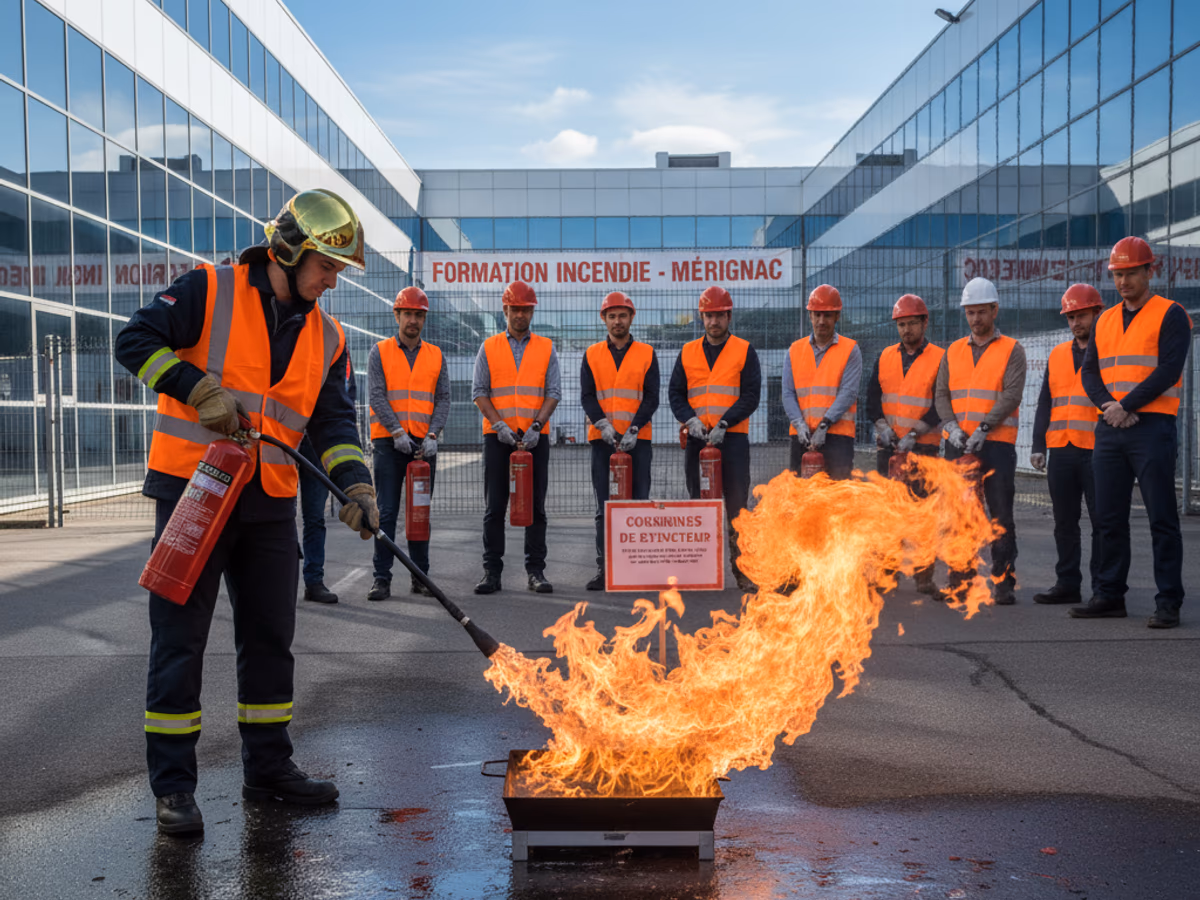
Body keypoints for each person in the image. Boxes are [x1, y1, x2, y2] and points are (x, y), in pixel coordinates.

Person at [114, 189, 379, 836]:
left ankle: (269, 769)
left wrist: (357, 486)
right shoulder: (209, 288)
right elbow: (134, 340)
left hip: (269, 503)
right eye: (326, 264)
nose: (332, 279)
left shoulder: (330, 336)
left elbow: (333, 423)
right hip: (195, 493)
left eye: (340, 270)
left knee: (270, 642)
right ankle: (173, 789)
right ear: (288, 249)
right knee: (180, 643)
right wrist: (195, 387)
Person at [1072, 237, 1192, 628]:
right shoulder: (1105, 319)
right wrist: (1110, 406)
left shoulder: (1171, 314)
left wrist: (1127, 405)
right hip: (1110, 426)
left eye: (1130, 273)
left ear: (1149, 271)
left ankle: (1168, 601)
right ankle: (1109, 594)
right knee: (1107, 517)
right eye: (1117, 275)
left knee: (1161, 516)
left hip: (1152, 426)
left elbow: (1168, 371)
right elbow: (1089, 372)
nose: (1123, 282)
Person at [934, 276, 1026, 605]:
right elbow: (941, 394)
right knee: (960, 516)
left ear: (994, 310)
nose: (975, 319)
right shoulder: (953, 352)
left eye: (981, 312)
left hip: (997, 444)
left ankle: (1003, 581)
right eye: (970, 312)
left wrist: (984, 428)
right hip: (959, 444)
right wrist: (953, 428)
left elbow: (1012, 394)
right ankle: (961, 580)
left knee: (1000, 514)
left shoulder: (1012, 350)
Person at [669, 285, 762, 593]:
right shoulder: (687, 352)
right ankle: (702, 571)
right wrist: (690, 419)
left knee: (737, 508)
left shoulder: (744, 350)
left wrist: (725, 422)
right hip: (698, 440)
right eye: (709, 316)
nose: (714, 322)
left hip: (732, 439)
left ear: (729, 316)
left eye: (719, 316)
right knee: (699, 506)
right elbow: (676, 394)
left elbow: (751, 395)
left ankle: (742, 572)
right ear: (702, 317)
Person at [472, 281, 561, 595]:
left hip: (535, 439)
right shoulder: (489, 347)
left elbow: (553, 393)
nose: (520, 314)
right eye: (515, 309)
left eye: (526, 309)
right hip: (498, 438)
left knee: (536, 507)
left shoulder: (546, 348)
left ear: (532, 311)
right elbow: (479, 393)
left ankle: (536, 571)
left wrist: (537, 426)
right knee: (495, 507)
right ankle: (491, 572)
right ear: (505, 309)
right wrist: (499, 426)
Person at [365, 286, 450, 602]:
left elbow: (443, 399)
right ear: (397, 315)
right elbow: (376, 395)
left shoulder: (436, 355)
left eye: (418, 315)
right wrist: (397, 432)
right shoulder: (380, 352)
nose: (413, 320)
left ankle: (420, 577)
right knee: (386, 513)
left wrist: (432, 436)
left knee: (420, 513)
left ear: (423, 318)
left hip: (423, 446)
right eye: (408, 314)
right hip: (389, 444)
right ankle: (381, 578)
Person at [864, 293, 945, 596]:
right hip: (890, 449)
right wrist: (882, 426)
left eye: (912, 323)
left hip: (924, 448)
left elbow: (941, 402)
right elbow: (872, 398)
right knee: (888, 513)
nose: (906, 330)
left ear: (925, 322)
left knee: (924, 516)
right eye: (901, 324)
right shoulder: (885, 356)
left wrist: (916, 432)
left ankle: (925, 579)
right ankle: (887, 574)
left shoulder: (940, 357)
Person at [1028, 284, 1103, 607]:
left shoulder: (1108, 352)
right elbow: (1046, 400)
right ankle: (1067, 582)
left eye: (1081, 315)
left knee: (1103, 522)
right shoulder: (1058, 354)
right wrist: (1037, 445)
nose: (1075, 323)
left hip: (1099, 449)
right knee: (1064, 522)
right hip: (1061, 448)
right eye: (1071, 317)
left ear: (1096, 313)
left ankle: (1104, 588)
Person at [580, 291, 660, 591]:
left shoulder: (647, 353)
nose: (617, 321)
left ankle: (636, 570)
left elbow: (652, 397)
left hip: (638, 442)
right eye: (611, 316)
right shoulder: (591, 355)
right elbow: (587, 396)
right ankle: (606, 569)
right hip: (602, 442)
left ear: (631, 317)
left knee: (638, 504)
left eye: (622, 315)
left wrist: (634, 429)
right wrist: (603, 426)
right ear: (604, 319)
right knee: (605, 507)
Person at [783, 284, 862, 480]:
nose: (821, 320)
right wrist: (799, 425)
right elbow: (788, 393)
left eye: (827, 315)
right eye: (817, 314)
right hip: (801, 437)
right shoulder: (794, 350)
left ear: (837, 317)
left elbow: (848, 393)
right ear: (810, 315)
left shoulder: (850, 350)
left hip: (838, 439)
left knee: (837, 498)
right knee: (800, 498)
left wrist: (824, 425)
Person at [298, 351, 358, 605]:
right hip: (280, 433)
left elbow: (345, 394)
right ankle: (275, 581)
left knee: (314, 516)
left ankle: (314, 581)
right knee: (275, 513)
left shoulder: (331, 341)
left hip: (316, 440)